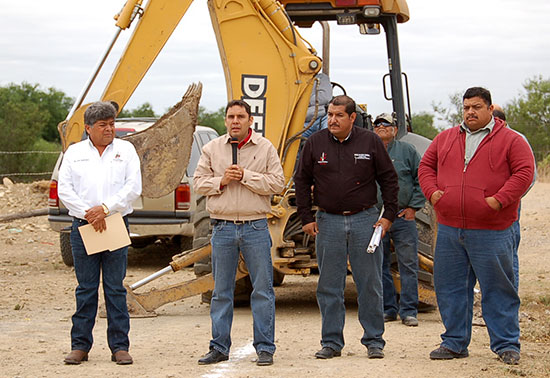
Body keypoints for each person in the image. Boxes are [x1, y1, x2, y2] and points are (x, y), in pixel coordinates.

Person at [418, 87, 534, 365]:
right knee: (450, 287)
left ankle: (506, 344)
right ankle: (454, 342)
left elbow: (524, 173)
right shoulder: (446, 138)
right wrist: (433, 194)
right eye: (467, 107)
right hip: (449, 229)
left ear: (490, 109)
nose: (470, 112)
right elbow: (426, 167)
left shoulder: (511, 140)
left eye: (477, 107)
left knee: (498, 287)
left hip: (493, 229)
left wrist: (497, 201)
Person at [294, 95, 399, 360]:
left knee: (370, 283)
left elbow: (389, 179)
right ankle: (331, 342)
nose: (332, 119)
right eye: (330, 114)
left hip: (366, 220)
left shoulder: (370, 141)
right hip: (328, 222)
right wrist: (306, 216)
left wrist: (388, 216)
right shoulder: (315, 143)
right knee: (329, 285)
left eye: (339, 115)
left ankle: (374, 340)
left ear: (353, 118)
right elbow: (302, 180)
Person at [193, 100, 284, 367]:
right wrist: (221, 180)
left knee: (263, 290)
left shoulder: (265, 147)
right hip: (221, 227)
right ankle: (219, 347)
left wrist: (245, 176)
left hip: (255, 226)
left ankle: (265, 348)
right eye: (231, 116)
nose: (235, 121)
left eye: (240, 116)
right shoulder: (212, 148)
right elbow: (198, 183)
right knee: (221, 291)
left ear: (249, 121)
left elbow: (277, 182)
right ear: (225, 121)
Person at [58, 101, 142, 365]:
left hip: (115, 223)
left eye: (112, 123)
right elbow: (65, 190)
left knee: (115, 288)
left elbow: (133, 187)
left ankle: (119, 347)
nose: (109, 129)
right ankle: (80, 346)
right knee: (86, 288)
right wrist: (89, 213)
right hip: (84, 226)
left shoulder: (126, 150)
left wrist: (104, 209)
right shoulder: (74, 153)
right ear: (88, 128)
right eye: (103, 125)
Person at [373, 113, 425, 327]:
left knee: (408, 264)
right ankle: (388, 309)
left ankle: (409, 310)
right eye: (378, 124)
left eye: (387, 124)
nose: (382, 127)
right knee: (379, 264)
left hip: (403, 215)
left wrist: (414, 207)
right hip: (375, 217)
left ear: (395, 129)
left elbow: (421, 178)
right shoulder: (368, 151)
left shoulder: (407, 151)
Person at [492, 104, 537, 290]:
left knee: (508, 253)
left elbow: (530, 176)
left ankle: (510, 297)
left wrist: (507, 199)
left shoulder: (517, 140)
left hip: (507, 206)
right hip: (481, 208)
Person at [301, 72, 332, 139]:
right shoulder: (295, 82)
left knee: (329, 133)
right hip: (303, 123)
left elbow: (325, 97)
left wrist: (304, 100)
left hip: (321, 118)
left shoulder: (321, 78)